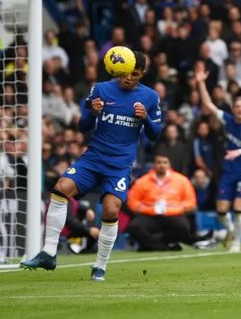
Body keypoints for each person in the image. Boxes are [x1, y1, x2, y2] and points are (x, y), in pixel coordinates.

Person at [21, 51, 163, 281]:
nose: (129, 78)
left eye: (135, 74)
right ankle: (48, 253)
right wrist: (93, 112)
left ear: (143, 73)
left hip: (119, 165)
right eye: (125, 73)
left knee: (111, 209)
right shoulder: (100, 89)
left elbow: (155, 135)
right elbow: (83, 126)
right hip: (93, 158)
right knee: (61, 187)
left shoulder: (150, 97)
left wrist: (145, 117)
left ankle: (100, 266)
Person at [195, 64, 241, 253]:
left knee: (239, 208)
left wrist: (239, 152)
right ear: (233, 109)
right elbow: (208, 105)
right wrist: (201, 83)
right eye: (237, 106)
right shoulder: (228, 120)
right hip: (229, 170)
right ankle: (231, 231)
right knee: (222, 210)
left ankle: (236, 244)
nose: (240, 109)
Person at [126, 153, 211, 251]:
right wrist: (148, 209)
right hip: (149, 214)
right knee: (134, 227)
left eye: (164, 162)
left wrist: (176, 209)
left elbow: (191, 201)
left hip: (173, 214)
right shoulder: (142, 181)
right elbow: (132, 201)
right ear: (154, 164)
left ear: (169, 164)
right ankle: (164, 247)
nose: (162, 165)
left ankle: (151, 245)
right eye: (159, 162)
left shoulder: (181, 180)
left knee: (182, 227)